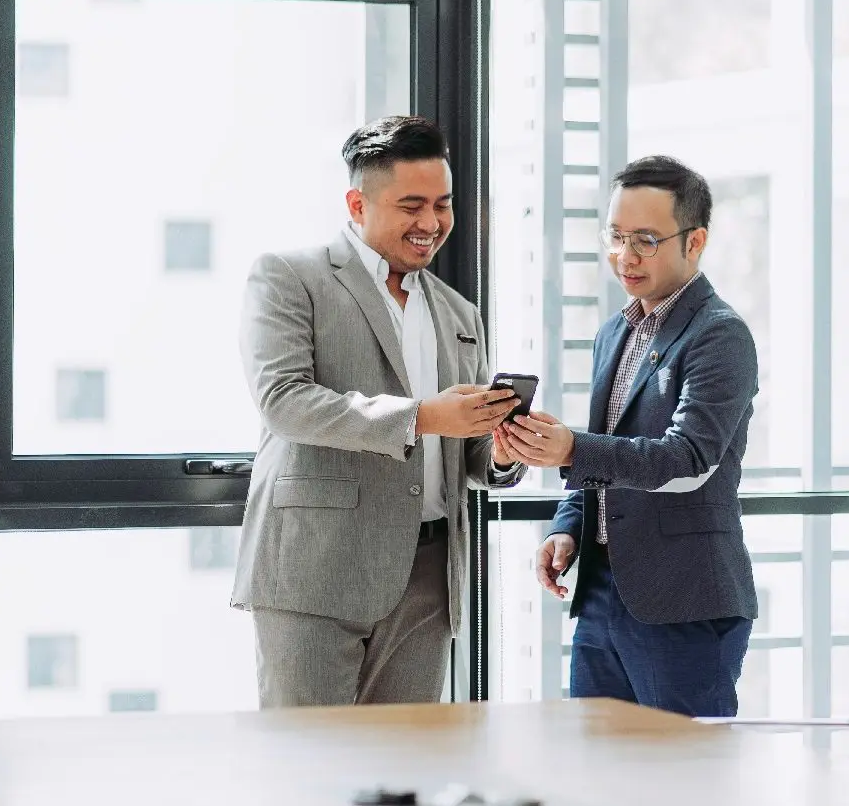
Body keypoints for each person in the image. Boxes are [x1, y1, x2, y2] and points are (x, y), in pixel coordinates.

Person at [230, 115, 526, 707]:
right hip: (316, 566)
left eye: (442, 205)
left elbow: (462, 452)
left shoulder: (460, 314)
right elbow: (284, 402)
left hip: (430, 575)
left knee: (405, 770)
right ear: (357, 203)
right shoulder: (290, 277)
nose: (432, 223)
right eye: (411, 205)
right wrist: (420, 416)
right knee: (308, 765)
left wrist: (499, 451)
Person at [500, 155, 759, 717]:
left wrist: (570, 448)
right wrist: (569, 527)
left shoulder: (719, 335)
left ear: (695, 242)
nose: (625, 256)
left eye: (645, 239)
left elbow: (688, 459)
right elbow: (606, 450)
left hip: (684, 603)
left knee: (684, 787)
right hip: (601, 595)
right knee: (600, 779)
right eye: (616, 237)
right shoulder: (615, 331)